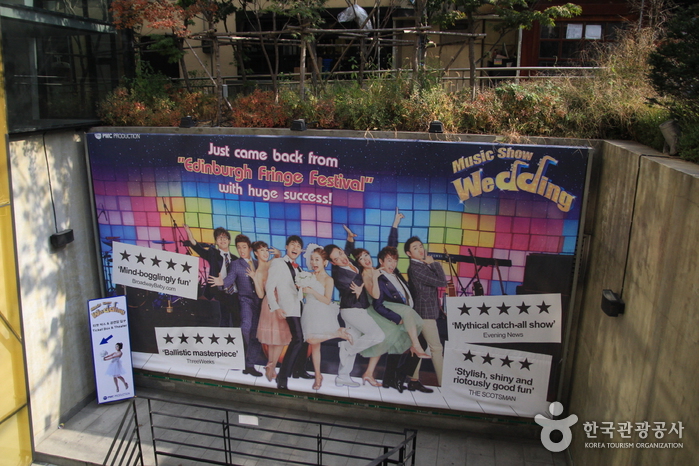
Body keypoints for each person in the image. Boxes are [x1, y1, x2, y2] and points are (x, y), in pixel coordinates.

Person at [324, 238, 385, 388]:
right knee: (378, 335)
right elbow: (348, 293)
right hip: (352, 310)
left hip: (356, 309)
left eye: (340, 254)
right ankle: (348, 348)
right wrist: (357, 293)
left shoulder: (349, 260)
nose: (342, 259)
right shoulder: (339, 275)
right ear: (333, 263)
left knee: (353, 339)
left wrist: (350, 239)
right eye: (336, 259)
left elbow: (349, 251)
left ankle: (342, 377)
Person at [371, 246, 433, 393]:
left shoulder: (396, 274)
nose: (393, 264)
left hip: (408, 316)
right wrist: (396, 318)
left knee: (397, 349)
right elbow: (377, 305)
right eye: (389, 260)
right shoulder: (379, 279)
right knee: (418, 343)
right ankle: (400, 375)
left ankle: (389, 380)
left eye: (395, 261)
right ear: (381, 261)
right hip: (396, 318)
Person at [300, 245, 353, 390]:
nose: (314, 262)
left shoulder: (328, 279)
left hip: (322, 311)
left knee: (311, 339)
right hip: (309, 311)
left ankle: (337, 334)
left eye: (317, 259)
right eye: (312, 259)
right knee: (314, 346)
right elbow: (304, 295)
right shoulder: (308, 275)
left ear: (325, 262)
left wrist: (312, 291)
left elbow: (327, 300)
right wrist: (302, 290)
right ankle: (318, 376)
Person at [265, 235, 312, 390]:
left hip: (299, 306)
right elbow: (269, 286)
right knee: (297, 339)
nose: (295, 248)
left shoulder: (299, 269)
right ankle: (283, 377)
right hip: (287, 307)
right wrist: (276, 306)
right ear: (286, 247)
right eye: (293, 244)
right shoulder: (278, 263)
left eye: (298, 246)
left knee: (304, 338)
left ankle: (298, 370)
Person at [219, 234, 265, 376]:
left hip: (261, 303)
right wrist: (221, 283)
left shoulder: (259, 263)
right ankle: (239, 356)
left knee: (257, 335)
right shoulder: (236, 264)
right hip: (245, 301)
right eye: (239, 248)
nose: (241, 250)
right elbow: (229, 280)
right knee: (245, 327)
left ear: (250, 248)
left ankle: (249, 365)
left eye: (244, 247)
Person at [405, 236, 446, 386]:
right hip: (424, 313)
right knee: (436, 348)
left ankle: (413, 379)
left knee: (420, 346)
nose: (420, 250)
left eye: (421, 246)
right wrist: (434, 263)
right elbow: (442, 282)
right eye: (415, 248)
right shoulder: (416, 268)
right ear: (409, 253)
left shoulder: (421, 265)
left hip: (426, 311)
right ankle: (443, 383)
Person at [184, 225, 240, 327]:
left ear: (229, 240)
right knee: (223, 321)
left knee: (237, 321)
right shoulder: (212, 254)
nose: (222, 240)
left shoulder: (236, 259)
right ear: (216, 242)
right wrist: (190, 235)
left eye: (224, 237)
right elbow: (199, 249)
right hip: (221, 292)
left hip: (235, 294)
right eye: (219, 238)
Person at [249, 242, 288, 382]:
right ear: (256, 253)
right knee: (274, 339)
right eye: (262, 251)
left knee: (280, 338)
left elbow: (278, 258)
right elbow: (260, 295)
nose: (265, 253)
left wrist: (278, 253)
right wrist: (255, 279)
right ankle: (271, 366)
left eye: (266, 250)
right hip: (270, 304)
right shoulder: (258, 272)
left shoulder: (272, 263)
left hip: (282, 301)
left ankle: (271, 365)